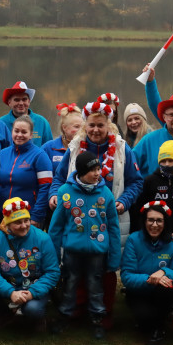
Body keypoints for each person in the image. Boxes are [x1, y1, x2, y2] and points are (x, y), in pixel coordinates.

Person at [49, 153, 121, 338]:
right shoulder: (65, 191)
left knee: (95, 285)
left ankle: (97, 319)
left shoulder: (105, 193)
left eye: (98, 169)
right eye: (92, 170)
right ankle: (65, 315)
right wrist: (53, 255)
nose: (98, 173)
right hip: (72, 251)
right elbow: (56, 227)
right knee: (70, 283)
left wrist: (113, 258)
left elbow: (113, 227)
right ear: (81, 172)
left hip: (97, 252)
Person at [50, 101, 143, 241]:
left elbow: (136, 182)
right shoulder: (75, 147)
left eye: (100, 125)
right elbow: (59, 178)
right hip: (78, 217)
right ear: (85, 126)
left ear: (109, 126)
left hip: (112, 217)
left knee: (112, 259)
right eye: (91, 125)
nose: (95, 130)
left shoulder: (122, 149)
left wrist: (124, 201)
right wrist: (54, 194)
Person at [0, 197, 61, 328]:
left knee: (33, 309)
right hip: (10, 284)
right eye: (18, 222)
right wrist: (11, 292)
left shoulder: (43, 238)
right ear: (7, 224)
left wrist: (33, 292)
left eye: (26, 220)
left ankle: (36, 317)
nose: (24, 226)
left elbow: (52, 272)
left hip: (34, 286)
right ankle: (6, 314)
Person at [121, 201, 173, 345]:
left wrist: (164, 272)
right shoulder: (133, 240)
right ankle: (148, 322)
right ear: (144, 221)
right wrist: (150, 279)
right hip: (139, 290)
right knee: (144, 319)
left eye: (159, 220)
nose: (154, 225)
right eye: (150, 220)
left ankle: (159, 328)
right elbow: (126, 276)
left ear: (165, 222)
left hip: (163, 293)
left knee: (164, 289)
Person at [0, 115, 53, 227]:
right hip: (5, 214)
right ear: (12, 132)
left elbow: (45, 187)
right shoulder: (3, 154)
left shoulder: (40, 156)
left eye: (24, 132)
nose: (19, 135)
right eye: (16, 131)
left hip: (28, 216)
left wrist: (37, 216)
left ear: (31, 135)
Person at [131, 140, 173, 237]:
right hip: (153, 233)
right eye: (163, 161)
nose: (167, 164)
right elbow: (139, 210)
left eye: (171, 160)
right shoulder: (149, 181)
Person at [0, 81, 53, 147]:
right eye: (17, 100)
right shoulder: (0, 123)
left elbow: (50, 149)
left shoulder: (42, 122)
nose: (21, 103)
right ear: (9, 102)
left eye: (24, 99)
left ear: (29, 101)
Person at [42, 104, 84, 170]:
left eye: (82, 127)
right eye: (76, 127)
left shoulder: (86, 147)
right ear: (64, 127)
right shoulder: (49, 148)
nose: (80, 130)